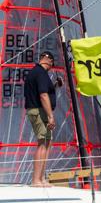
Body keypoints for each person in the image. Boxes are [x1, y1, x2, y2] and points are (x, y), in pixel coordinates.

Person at [24, 51, 63, 187]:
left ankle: (41, 179)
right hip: (39, 111)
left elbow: (43, 90)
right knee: (42, 143)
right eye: (52, 62)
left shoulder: (37, 72)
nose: (52, 66)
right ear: (48, 60)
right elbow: (43, 95)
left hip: (38, 110)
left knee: (47, 143)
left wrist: (55, 86)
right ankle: (36, 180)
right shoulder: (40, 73)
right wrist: (51, 116)